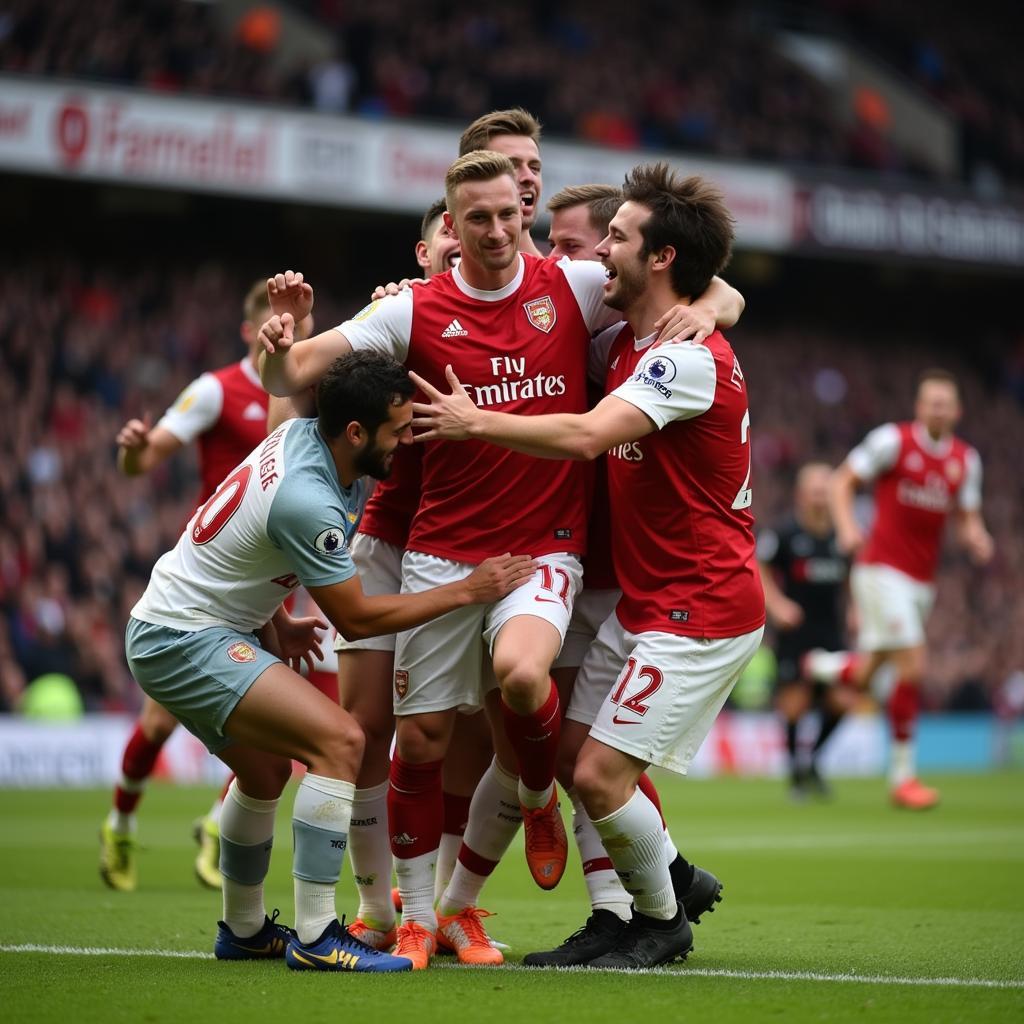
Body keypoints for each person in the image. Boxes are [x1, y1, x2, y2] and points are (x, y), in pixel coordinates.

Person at [258, 151, 745, 969]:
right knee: (418, 744)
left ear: (527, 217)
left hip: (544, 551)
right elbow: (297, 374)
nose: (492, 230)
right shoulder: (412, 307)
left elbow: (689, 285)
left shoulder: (575, 287)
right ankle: (416, 916)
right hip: (437, 553)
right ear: (450, 225)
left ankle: (537, 801)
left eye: (507, 215)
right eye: (473, 218)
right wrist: (282, 345)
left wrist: (718, 301)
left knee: (525, 682)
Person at [410, 162, 766, 969]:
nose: (600, 250)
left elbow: (582, 436)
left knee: (602, 775)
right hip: (650, 598)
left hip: (701, 606)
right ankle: (655, 886)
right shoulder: (636, 337)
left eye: (617, 237)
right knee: (571, 760)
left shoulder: (684, 357)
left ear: (663, 257)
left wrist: (476, 421)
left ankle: (660, 917)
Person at [125, 350, 534, 971]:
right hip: (184, 638)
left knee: (263, 777)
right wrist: (468, 591)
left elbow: (244, 538)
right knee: (342, 740)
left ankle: (243, 929)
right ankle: (318, 939)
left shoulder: (299, 436)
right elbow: (358, 618)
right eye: (397, 430)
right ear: (354, 432)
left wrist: (278, 620)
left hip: (177, 626)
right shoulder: (309, 500)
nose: (407, 441)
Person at [99, 281, 311, 894]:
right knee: (162, 725)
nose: (296, 328)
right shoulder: (217, 390)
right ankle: (121, 822)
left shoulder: (308, 384)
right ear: (252, 330)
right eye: (277, 321)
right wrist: (135, 454)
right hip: (210, 583)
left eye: (305, 319)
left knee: (271, 721)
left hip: (268, 580)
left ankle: (221, 824)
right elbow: (146, 457)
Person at [808, 369, 994, 809]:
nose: (937, 410)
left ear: (957, 411)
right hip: (879, 570)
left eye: (945, 403)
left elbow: (967, 515)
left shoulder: (966, 461)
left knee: (871, 674)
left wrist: (977, 536)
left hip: (921, 582)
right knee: (912, 662)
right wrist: (849, 528)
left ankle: (823, 666)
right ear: (918, 406)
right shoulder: (893, 441)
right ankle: (903, 778)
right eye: (931, 402)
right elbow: (841, 481)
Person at [757, 463, 854, 799]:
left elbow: (854, 576)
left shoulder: (842, 536)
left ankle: (811, 760)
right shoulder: (785, 533)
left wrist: (856, 607)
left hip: (831, 632)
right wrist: (779, 605)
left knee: (843, 701)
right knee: (794, 704)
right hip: (796, 634)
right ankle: (796, 777)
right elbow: (759, 569)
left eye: (826, 489)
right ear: (801, 494)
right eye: (815, 489)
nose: (820, 495)